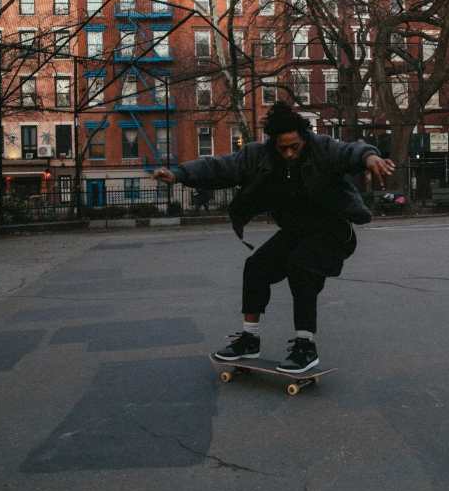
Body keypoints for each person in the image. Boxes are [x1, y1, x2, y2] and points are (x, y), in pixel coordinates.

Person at [151, 102, 395, 374]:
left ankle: (306, 346)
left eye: (295, 147)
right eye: (283, 148)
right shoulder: (259, 156)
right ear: (273, 143)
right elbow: (220, 167)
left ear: (305, 138)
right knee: (256, 267)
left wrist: (370, 158)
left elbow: (351, 151)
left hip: (334, 229)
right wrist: (179, 174)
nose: (289, 153)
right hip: (296, 231)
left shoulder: (322, 148)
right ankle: (249, 338)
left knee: (301, 265)